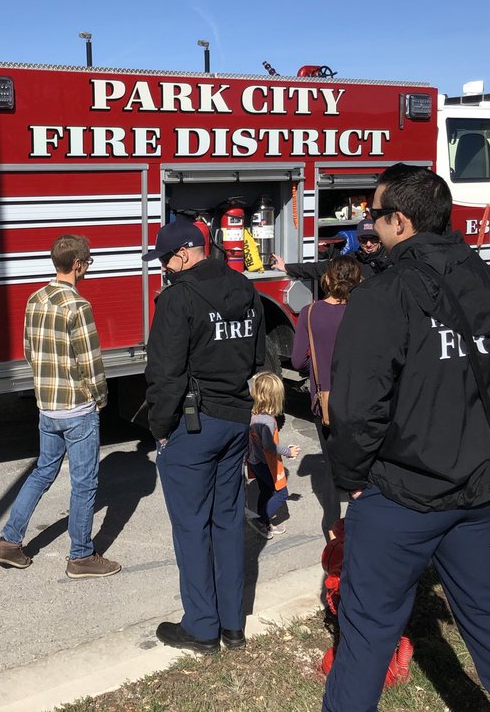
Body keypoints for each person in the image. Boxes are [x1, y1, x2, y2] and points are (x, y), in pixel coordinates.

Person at [322, 163, 490, 711]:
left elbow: (355, 411)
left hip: (399, 496)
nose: (368, 224)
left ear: (399, 221)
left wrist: (354, 481)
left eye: (373, 215)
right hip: (477, 490)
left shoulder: (382, 296)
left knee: (368, 630)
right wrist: (478, 440)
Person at [144, 218, 266, 654]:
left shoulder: (179, 299)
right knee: (229, 523)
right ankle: (233, 625)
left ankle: (201, 627)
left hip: (194, 426)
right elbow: (258, 357)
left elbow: (164, 374)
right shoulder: (244, 287)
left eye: (164, 259)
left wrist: (160, 431)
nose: (163, 267)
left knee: (192, 528)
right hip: (236, 420)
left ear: (183, 254)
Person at [0, 235, 121, 578]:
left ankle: (9, 542)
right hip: (77, 408)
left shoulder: (35, 298)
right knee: (85, 482)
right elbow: (91, 362)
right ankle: (80, 556)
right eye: (88, 263)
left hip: (47, 407)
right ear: (77, 265)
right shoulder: (78, 306)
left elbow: (30, 351)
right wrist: (100, 398)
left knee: (43, 472)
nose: (87, 269)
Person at [290, 254, 362, 542]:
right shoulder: (364, 311)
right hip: (360, 397)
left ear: (328, 279)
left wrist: (316, 370)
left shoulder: (310, 313)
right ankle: (362, 520)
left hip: (325, 399)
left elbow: (297, 361)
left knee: (332, 467)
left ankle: (334, 529)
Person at [245, 371, 298, 539]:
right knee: (281, 493)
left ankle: (265, 522)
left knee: (266, 491)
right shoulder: (267, 420)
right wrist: (288, 452)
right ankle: (261, 520)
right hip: (265, 464)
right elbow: (269, 446)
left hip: (255, 461)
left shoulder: (254, 414)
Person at [270, 218, 389, 286]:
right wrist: (287, 267)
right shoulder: (352, 261)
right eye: (364, 240)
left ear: (380, 239)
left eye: (373, 239)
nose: (368, 244)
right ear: (358, 240)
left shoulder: (392, 258)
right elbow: (319, 268)